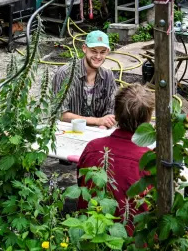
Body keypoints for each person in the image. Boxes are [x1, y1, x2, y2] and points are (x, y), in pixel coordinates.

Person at [76, 84, 154, 230]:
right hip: (134, 239)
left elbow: (81, 186)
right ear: (148, 119)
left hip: (91, 232)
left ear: (116, 114)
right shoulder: (149, 159)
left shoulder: (93, 148)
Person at [52, 30, 117, 128]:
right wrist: (97, 121)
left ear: (107, 52)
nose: (98, 56)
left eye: (102, 52)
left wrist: (105, 124)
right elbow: (59, 113)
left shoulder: (108, 76)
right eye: (94, 51)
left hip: (98, 132)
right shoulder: (64, 73)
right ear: (84, 48)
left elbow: (111, 110)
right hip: (69, 132)